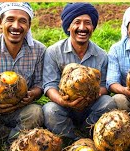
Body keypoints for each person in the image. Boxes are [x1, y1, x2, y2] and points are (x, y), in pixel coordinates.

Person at [0, 2, 45, 150]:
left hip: (21, 109)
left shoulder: (39, 50)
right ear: (0, 22)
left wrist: (32, 94)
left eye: (22, 21)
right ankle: (12, 139)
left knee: (36, 113)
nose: (16, 26)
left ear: (29, 25)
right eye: (10, 19)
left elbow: (40, 84)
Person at [42, 3, 116, 142]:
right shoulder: (53, 52)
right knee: (50, 110)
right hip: (64, 107)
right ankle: (71, 140)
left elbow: (105, 85)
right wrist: (64, 102)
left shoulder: (101, 55)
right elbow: (49, 85)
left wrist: (93, 96)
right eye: (77, 22)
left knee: (108, 103)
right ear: (69, 26)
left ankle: (88, 133)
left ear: (92, 27)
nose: (82, 28)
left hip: (91, 107)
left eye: (87, 23)